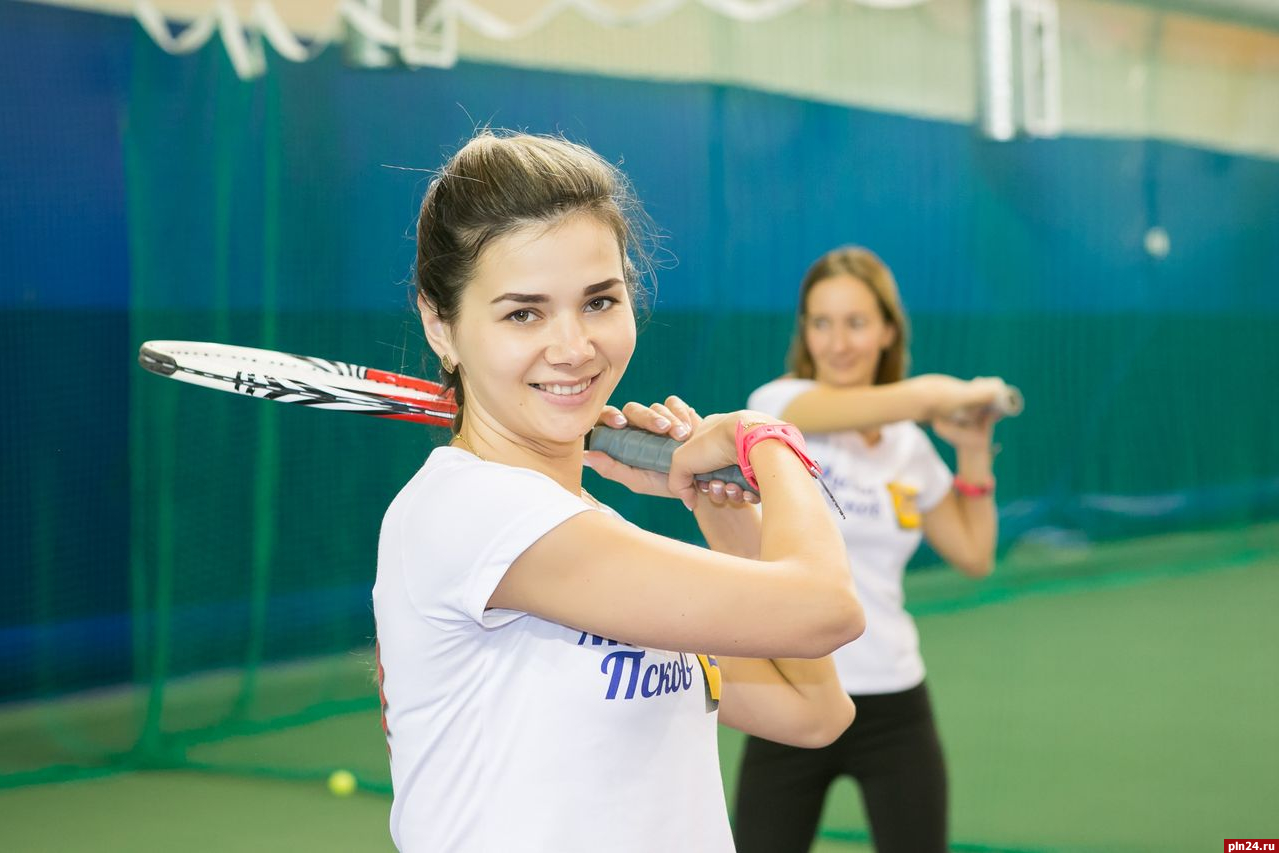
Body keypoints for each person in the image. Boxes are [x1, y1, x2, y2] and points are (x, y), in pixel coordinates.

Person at [371, 132, 866, 853]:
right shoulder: (474, 515)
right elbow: (826, 608)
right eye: (523, 313)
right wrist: (767, 441)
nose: (573, 347)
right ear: (439, 325)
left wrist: (716, 500)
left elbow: (814, 707)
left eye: (599, 301)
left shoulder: (580, 531)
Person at [732, 246, 1013, 853]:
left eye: (856, 323)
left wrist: (970, 448)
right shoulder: (777, 410)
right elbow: (905, 400)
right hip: (792, 692)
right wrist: (941, 392)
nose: (838, 342)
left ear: (887, 329)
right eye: (821, 322)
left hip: (894, 703)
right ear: (805, 331)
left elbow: (974, 553)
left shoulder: (909, 446)